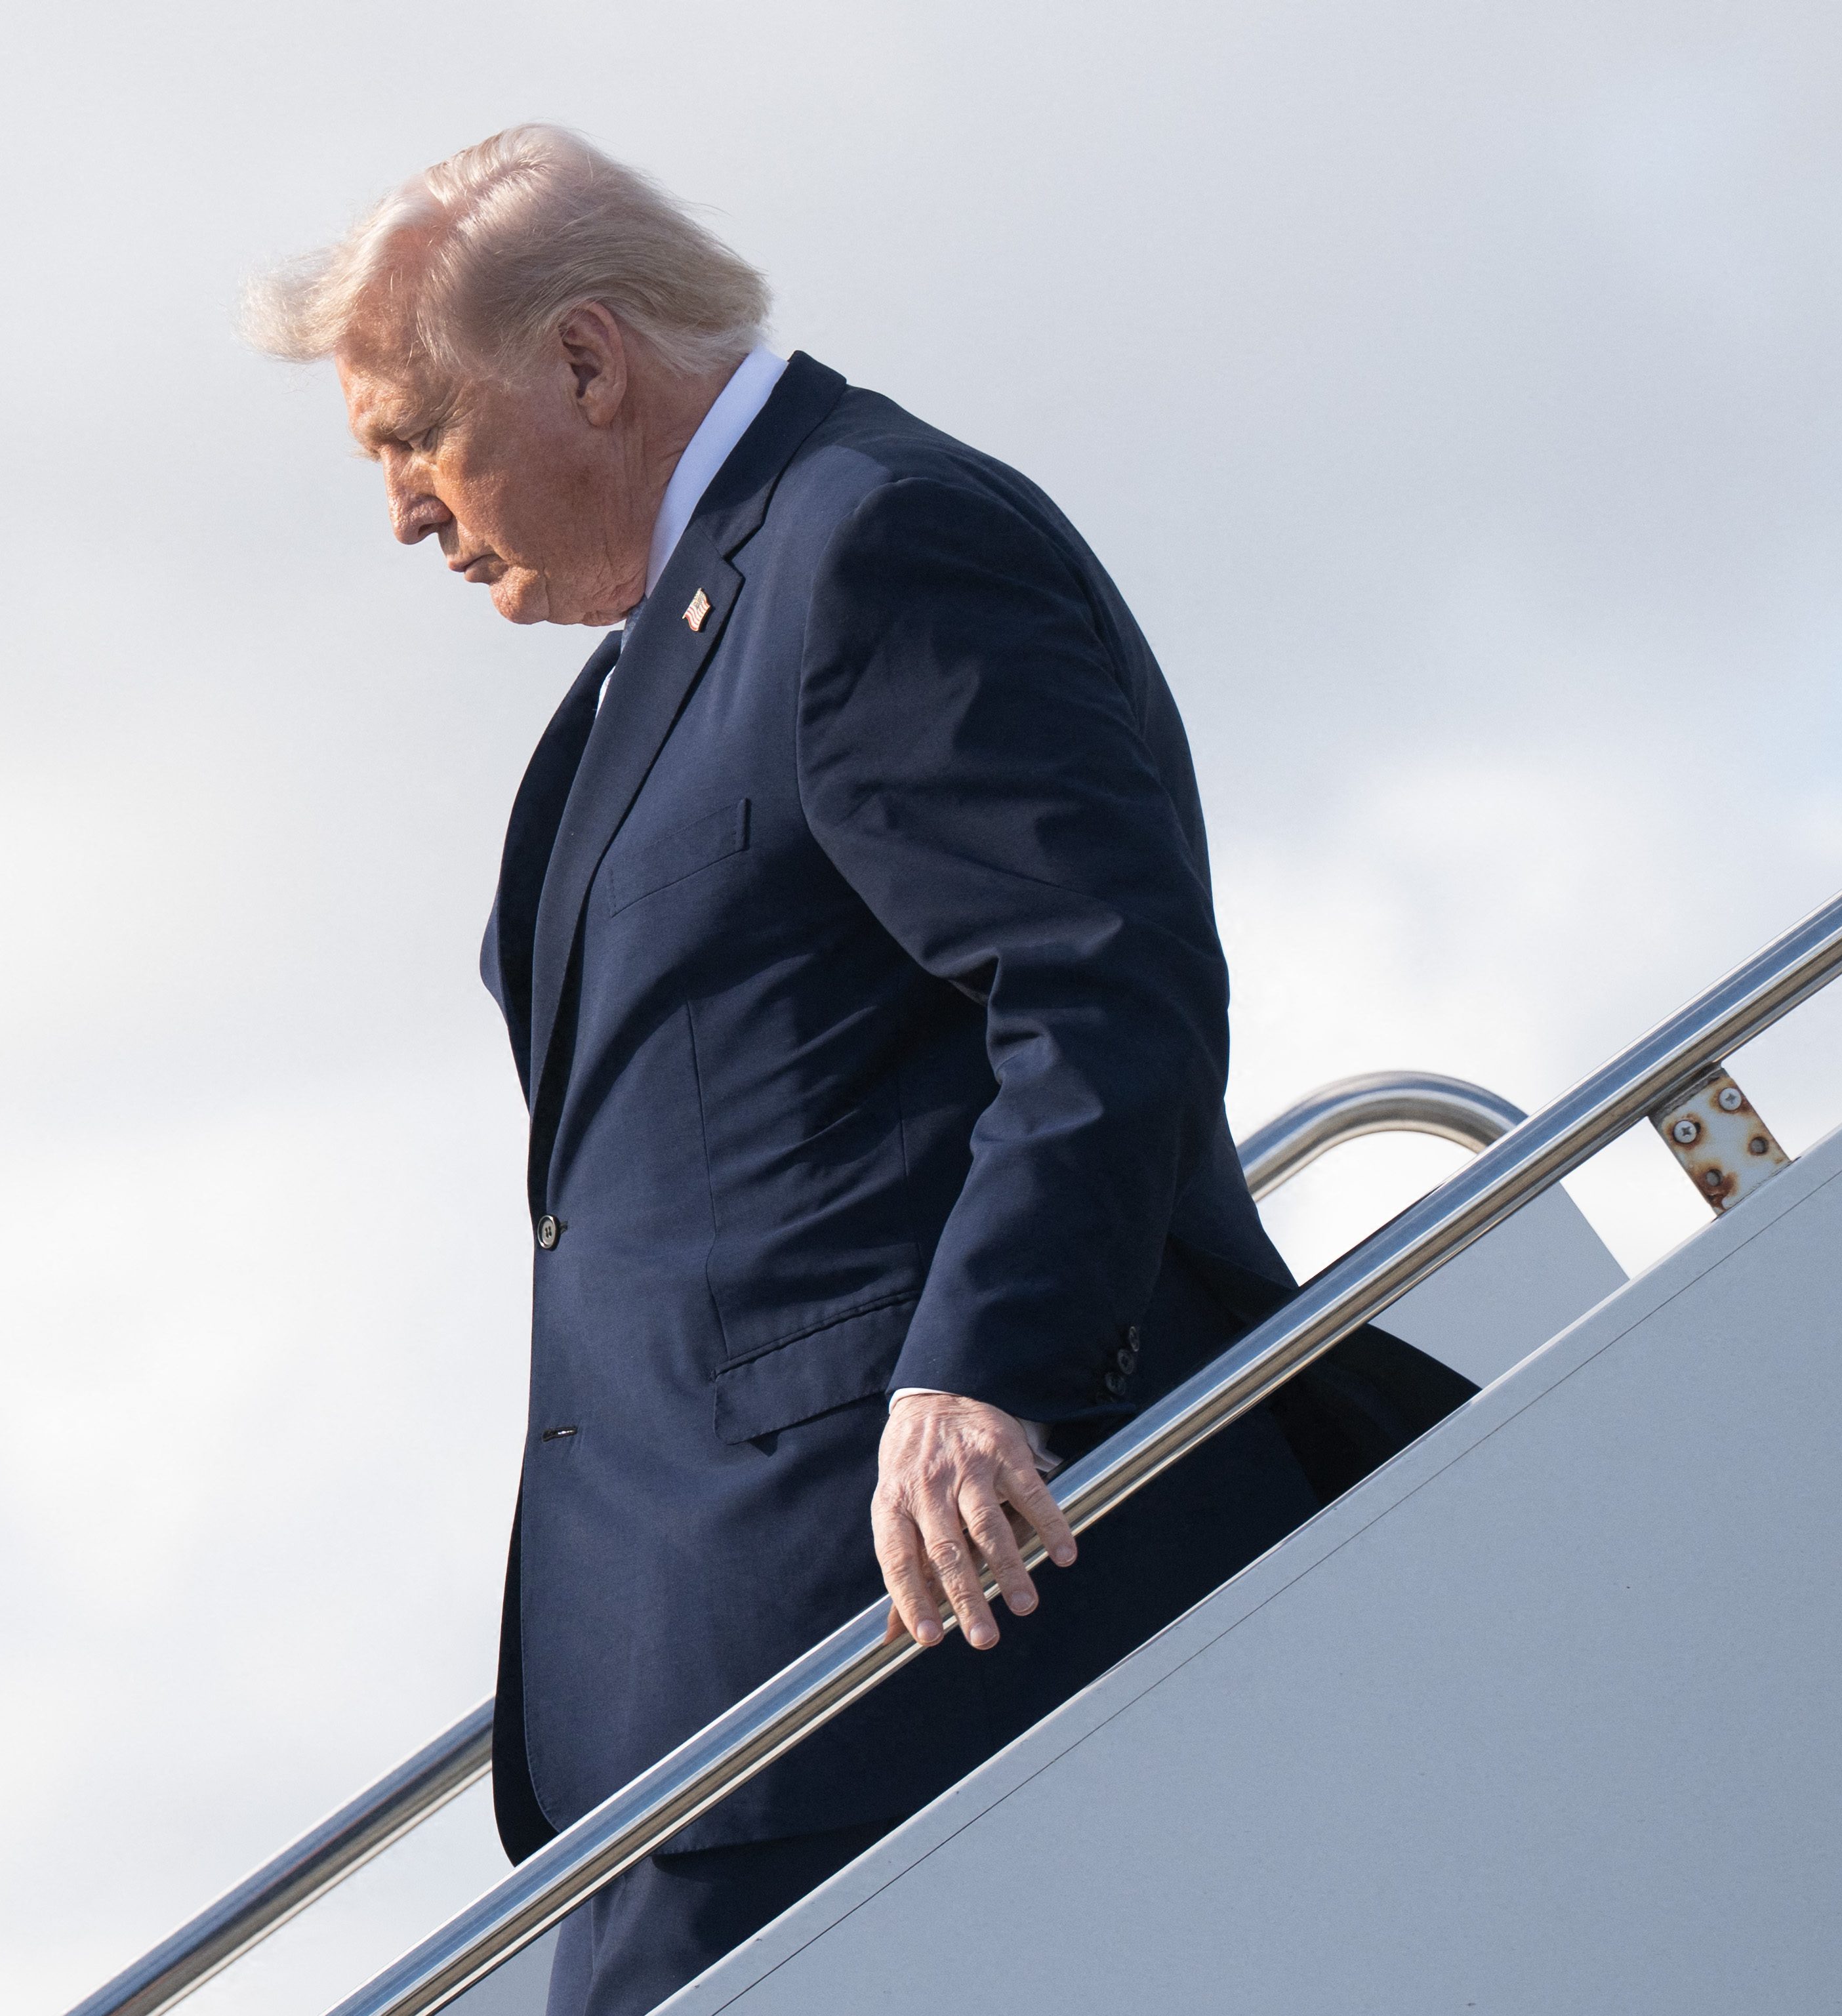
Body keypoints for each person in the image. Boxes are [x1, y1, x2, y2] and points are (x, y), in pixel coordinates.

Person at [245, 126, 1467, 2016]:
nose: (405, 507)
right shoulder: (667, 656)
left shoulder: (872, 539)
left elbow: (1097, 980)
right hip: (722, 1707)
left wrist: (992, 1362)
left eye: (414, 433)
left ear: (586, 364)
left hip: (903, 1645)